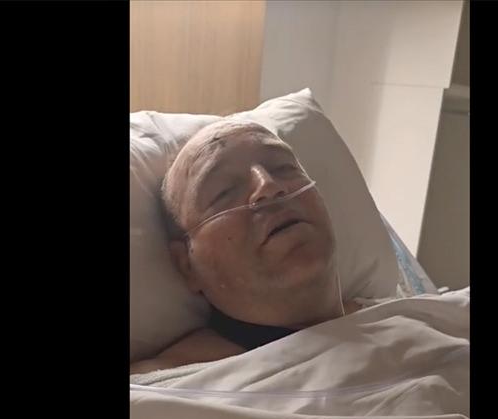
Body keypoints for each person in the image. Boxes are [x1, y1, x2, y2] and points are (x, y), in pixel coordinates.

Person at [130, 120, 363, 374]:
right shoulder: (165, 388)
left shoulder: (393, 315)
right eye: (224, 191)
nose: (268, 186)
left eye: (283, 167)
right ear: (187, 266)